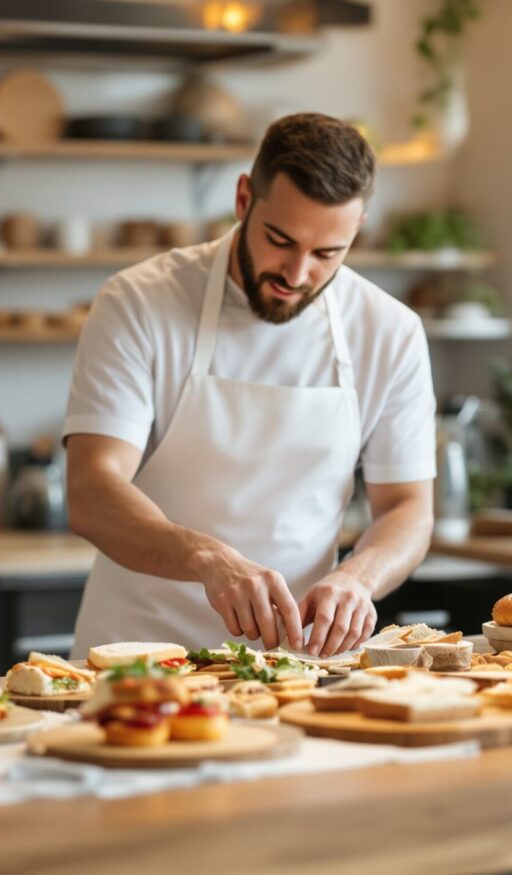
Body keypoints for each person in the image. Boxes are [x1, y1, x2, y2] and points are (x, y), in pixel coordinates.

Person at [64, 113, 436, 659]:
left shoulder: (390, 332)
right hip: (136, 655)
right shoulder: (140, 302)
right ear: (243, 199)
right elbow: (92, 489)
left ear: (355, 232)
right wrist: (206, 558)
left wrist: (359, 577)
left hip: (294, 662)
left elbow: (408, 506)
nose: (296, 272)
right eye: (279, 239)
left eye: (326, 253)